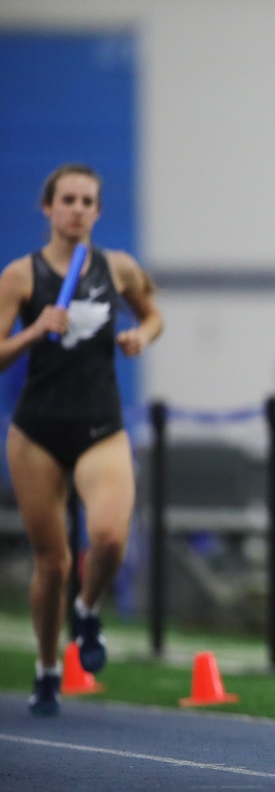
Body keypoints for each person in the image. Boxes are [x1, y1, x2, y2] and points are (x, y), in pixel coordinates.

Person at [0, 164, 163, 716]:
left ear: (97, 211)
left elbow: (153, 311)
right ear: (48, 208)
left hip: (101, 425)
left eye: (87, 201)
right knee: (53, 562)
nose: (76, 208)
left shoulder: (116, 267)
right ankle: (47, 668)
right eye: (66, 199)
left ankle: (88, 611)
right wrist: (31, 330)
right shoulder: (20, 277)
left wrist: (141, 334)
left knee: (111, 537)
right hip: (37, 431)